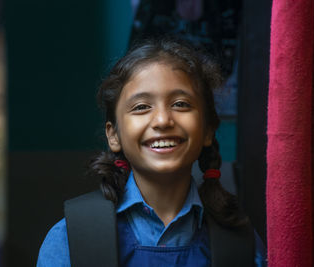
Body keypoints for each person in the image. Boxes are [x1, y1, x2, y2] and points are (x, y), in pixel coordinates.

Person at [36, 38, 266, 267]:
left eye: (181, 104)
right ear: (113, 135)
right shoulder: (70, 240)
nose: (163, 120)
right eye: (141, 107)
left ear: (208, 130)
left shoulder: (242, 242)